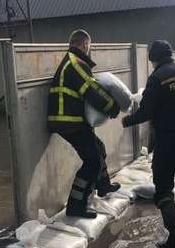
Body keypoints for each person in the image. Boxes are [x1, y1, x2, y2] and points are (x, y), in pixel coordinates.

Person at [122, 40, 175, 248]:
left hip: (168, 141)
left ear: (152, 58)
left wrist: (126, 121)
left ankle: (174, 241)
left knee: (163, 188)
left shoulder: (157, 78)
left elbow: (146, 112)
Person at [47, 29, 121, 219]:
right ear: (84, 44)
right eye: (89, 46)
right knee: (92, 161)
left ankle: (103, 185)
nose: (89, 50)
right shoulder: (76, 62)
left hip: (69, 119)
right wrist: (112, 106)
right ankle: (76, 206)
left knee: (98, 148)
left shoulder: (71, 61)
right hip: (69, 121)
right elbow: (92, 89)